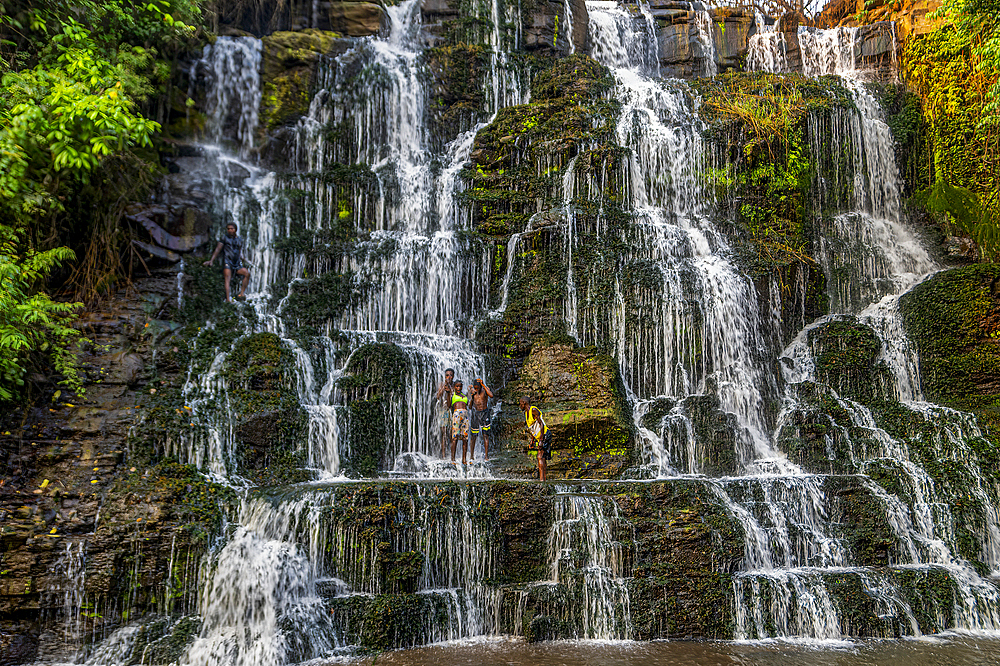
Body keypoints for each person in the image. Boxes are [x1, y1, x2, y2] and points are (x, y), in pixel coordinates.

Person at [203, 222, 251, 303]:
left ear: (235, 230)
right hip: (227, 262)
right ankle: (228, 299)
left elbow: (240, 252)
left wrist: (245, 260)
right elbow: (218, 249)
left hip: (237, 263)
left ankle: (241, 294)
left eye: (231, 229)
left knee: (247, 273)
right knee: (227, 279)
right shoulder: (224, 238)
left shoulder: (239, 239)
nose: (230, 230)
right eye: (228, 229)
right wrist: (211, 260)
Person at [519, 396, 551, 481]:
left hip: (545, 435)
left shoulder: (533, 410)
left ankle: (542, 480)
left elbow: (541, 424)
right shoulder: (526, 413)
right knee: (542, 456)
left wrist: (541, 440)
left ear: (524, 403)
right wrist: (532, 441)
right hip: (539, 437)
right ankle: (543, 479)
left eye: (520, 404)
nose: (519, 406)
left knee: (540, 456)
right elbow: (533, 427)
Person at [468, 378, 494, 461]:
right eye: (475, 388)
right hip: (476, 414)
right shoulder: (473, 392)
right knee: (473, 436)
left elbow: (491, 395)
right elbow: (469, 407)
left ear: (480, 386)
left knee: (485, 435)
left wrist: (483, 385)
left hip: (484, 413)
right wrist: (472, 396)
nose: (476, 389)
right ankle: (471, 455)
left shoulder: (485, 390)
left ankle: (486, 456)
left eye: (477, 388)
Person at [432, 368, 455, 458]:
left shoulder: (455, 385)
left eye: (451, 375)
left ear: (453, 376)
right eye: (447, 375)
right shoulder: (442, 384)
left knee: (452, 433)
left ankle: (452, 454)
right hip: (443, 410)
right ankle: (443, 455)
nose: (449, 377)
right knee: (444, 433)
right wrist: (445, 386)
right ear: (444, 376)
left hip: (452, 410)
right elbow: (438, 396)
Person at [450, 380, 470, 464]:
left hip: (465, 415)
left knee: (465, 437)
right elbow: (449, 404)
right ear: (454, 387)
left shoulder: (464, 395)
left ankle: (464, 459)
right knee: (455, 437)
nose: (458, 388)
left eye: (460, 386)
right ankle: (453, 459)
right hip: (457, 414)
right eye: (457, 386)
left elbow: (470, 405)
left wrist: (470, 393)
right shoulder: (452, 394)